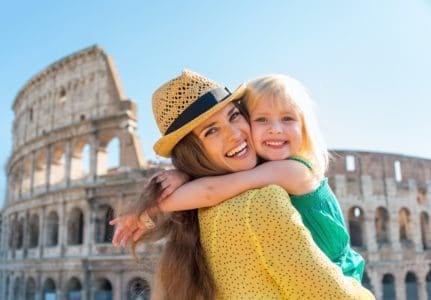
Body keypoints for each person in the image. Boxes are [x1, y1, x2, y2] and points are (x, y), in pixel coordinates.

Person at [110, 70, 374, 299]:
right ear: (192, 152)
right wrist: (178, 180)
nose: (235, 134)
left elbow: (212, 190)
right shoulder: (261, 202)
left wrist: (155, 205)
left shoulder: (290, 171)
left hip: (342, 267)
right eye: (211, 131)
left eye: (234, 116)